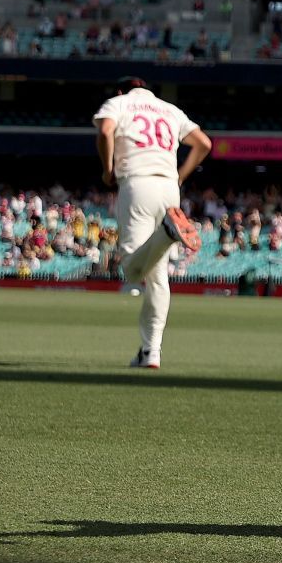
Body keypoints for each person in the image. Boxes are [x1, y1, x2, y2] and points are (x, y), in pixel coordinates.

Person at [93, 76, 211, 369]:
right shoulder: (169, 109)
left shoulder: (118, 102)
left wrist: (107, 171)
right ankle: (151, 351)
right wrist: (181, 176)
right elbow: (204, 143)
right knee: (158, 277)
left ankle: (168, 233)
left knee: (133, 270)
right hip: (170, 189)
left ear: (121, 90)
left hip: (136, 184)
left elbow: (106, 131)